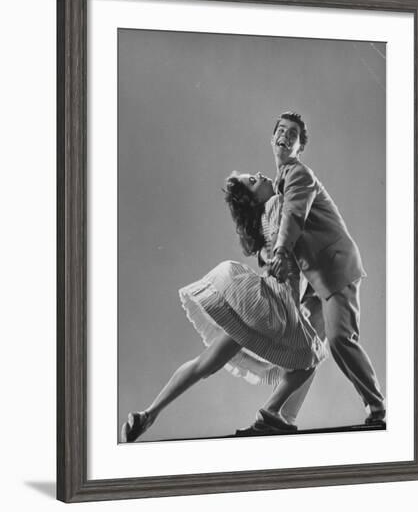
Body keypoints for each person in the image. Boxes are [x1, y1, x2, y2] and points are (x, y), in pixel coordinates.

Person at [121, 171, 327, 443]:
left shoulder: (263, 222)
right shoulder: (277, 205)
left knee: (205, 363)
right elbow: (293, 240)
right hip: (275, 304)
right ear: (253, 199)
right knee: (310, 359)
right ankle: (271, 413)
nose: (260, 175)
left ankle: (148, 414)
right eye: (253, 181)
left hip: (259, 303)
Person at [267, 111, 386, 426]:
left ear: (299, 147)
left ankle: (377, 408)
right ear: (272, 138)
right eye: (281, 130)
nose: (285, 136)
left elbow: (295, 215)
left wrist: (280, 249)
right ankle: (281, 416)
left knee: (339, 340)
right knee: (301, 348)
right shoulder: (280, 184)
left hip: (335, 271)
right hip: (318, 282)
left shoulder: (298, 174)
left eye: (293, 134)